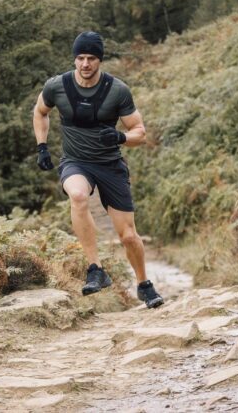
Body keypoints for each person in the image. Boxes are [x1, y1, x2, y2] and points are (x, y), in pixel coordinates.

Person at [32, 31, 164, 309]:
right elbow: (40, 111)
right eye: (80, 58)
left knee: (128, 235)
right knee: (78, 196)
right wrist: (42, 146)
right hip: (75, 161)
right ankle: (96, 269)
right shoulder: (57, 86)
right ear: (74, 59)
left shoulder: (117, 90)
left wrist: (120, 138)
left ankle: (143, 284)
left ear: (99, 60)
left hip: (110, 165)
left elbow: (139, 132)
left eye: (91, 58)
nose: (85, 64)